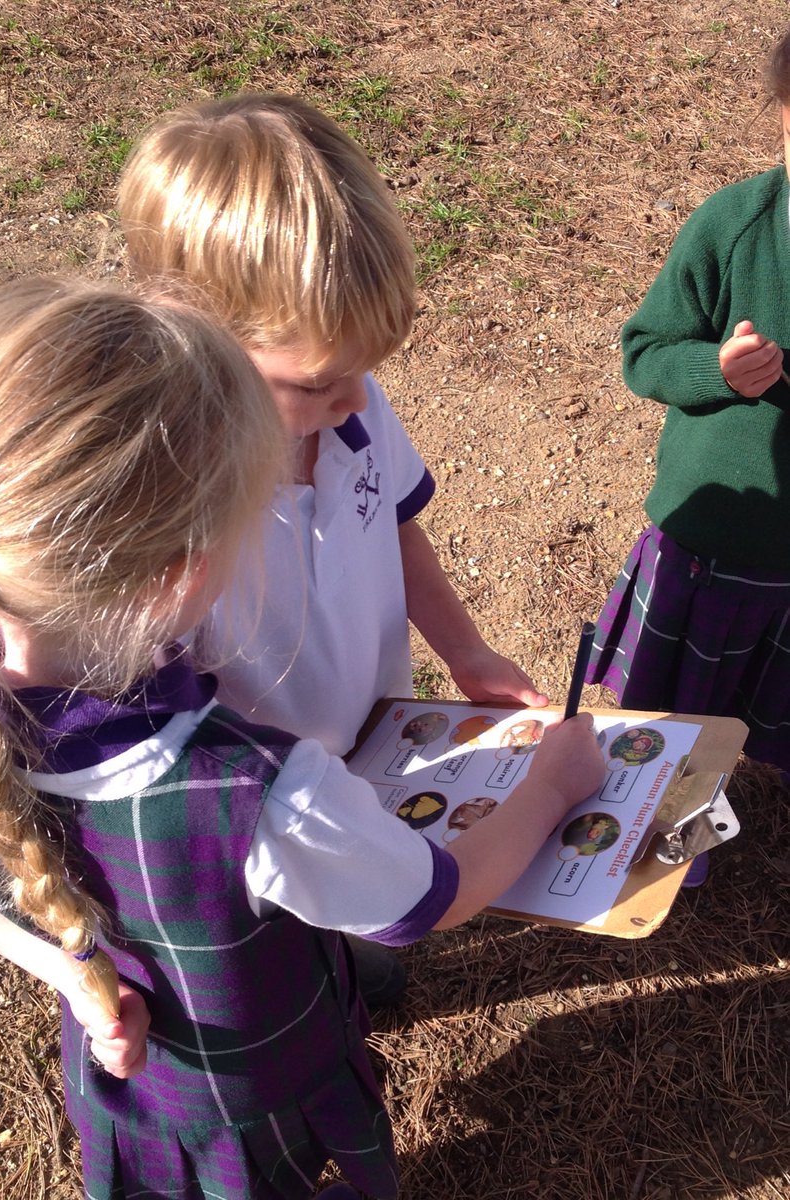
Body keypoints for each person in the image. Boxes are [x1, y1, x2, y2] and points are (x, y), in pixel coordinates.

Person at [0, 277, 605, 1200]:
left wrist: (75, 976)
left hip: (135, 1095)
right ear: (185, 576)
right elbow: (431, 902)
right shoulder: (266, 794)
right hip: (263, 1092)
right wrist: (552, 789)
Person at [117, 93, 550, 1004]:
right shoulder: (166, 514)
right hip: (260, 811)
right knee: (286, 962)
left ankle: (357, 952)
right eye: (318, 382)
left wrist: (465, 650)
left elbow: (395, 518)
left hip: (367, 743)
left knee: (370, 917)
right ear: (195, 343)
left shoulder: (351, 414)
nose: (357, 400)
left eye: (364, 368)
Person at [586, 27, 790, 784]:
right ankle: (655, 825)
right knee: (674, 735)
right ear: (782, 118)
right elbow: (647, 352)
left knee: (762, 708)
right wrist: (718, 372)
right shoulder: (737, 227)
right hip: (716, 552)